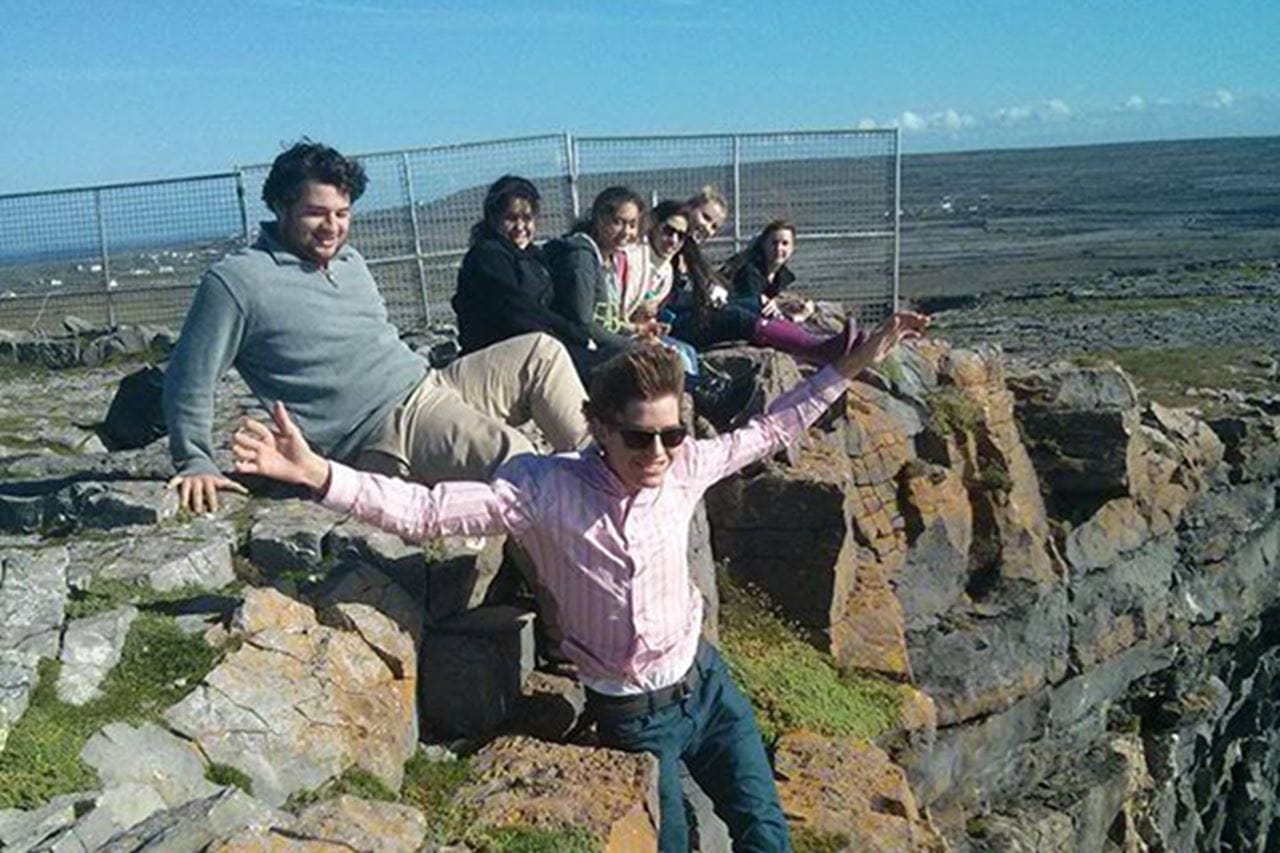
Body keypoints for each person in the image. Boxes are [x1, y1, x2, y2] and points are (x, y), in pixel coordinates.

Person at [228, 310, 930, 851]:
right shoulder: (544, 490)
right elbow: (428, 511)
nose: (659, 453)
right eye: (640, 437)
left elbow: (769, 430)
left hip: (708, 687)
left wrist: (850, 364)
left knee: (765, 833)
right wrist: (320, 476)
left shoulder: (683, 468)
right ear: (596, 426)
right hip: (633, 715)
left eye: (672, 434)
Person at [163, 141, 589, 514]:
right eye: (316, 213)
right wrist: (195, 460)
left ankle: (610, 479)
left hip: (430, 383)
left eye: (342, 213)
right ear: (279, 206)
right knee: (516, 457)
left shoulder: (352, 262)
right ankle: (583, 560)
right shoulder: (238, 281)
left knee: (541, 352)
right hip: (382, 427)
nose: (332, 227)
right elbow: (190, 377)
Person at [452, 175, 606, 375]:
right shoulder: (487, 258)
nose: (520, 227)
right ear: (494, 219)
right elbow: (520, 310)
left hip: (538, 346)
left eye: (527, 218)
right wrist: (575, 336)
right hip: (502, 356)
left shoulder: (534, 256)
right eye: (511, 219)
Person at [545, 186, 652, 351]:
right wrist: (633, 346)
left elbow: (606, 321)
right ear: (599, 219)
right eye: (618, 222)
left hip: (606, 344)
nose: (626, 232)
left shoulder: (611, 258)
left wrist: (637, 331)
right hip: (582, 349)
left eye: (632, 224)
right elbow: (584, 323)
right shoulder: (581, 258)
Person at [723, 219, 813, 322]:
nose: (779, 248)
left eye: (785, 243)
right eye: (774, 243)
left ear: (792, 248)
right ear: (764, 245)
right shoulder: (747, 270)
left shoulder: (783, 275)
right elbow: (755, 306)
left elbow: (780, 299)